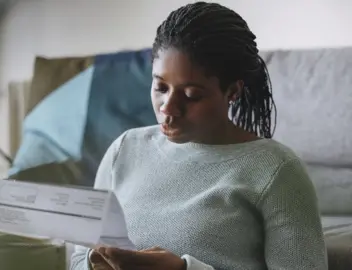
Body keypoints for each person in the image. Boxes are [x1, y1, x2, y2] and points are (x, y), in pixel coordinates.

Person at [70, 2, 327, 270]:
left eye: (191, 95)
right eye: (160, 87)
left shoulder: (276, 171)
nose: (168, 107)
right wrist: (95, 263)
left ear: (232, 92)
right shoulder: (124, 150)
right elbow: (78, 259)